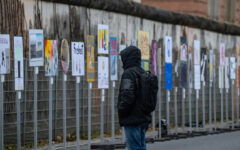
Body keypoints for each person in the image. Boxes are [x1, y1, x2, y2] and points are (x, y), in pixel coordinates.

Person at [118, 46, 151, 150]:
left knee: (134, 147)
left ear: (127, 58)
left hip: (132, 118)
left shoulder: (128, 74)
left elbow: (127, 96)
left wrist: (121, 111)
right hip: (143, 118)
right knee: (141, 146)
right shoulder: (143, 72)